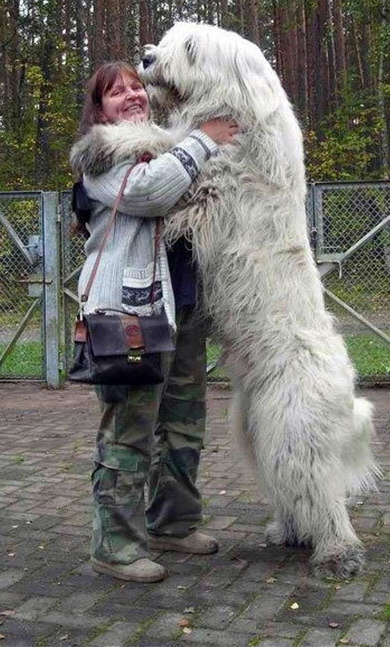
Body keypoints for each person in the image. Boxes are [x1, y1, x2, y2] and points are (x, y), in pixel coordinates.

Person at [69, 61, 239, 583]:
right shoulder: (100, 158)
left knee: (184, 425)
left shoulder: (170, 147)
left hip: (182, 309)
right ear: (100, 110)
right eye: (116, 91)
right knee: (129, 431)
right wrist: (204, 139)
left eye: (136, 86)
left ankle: (173, 523)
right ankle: (115, 546)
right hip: (131, 316)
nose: (132, 95)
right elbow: (149, 192)